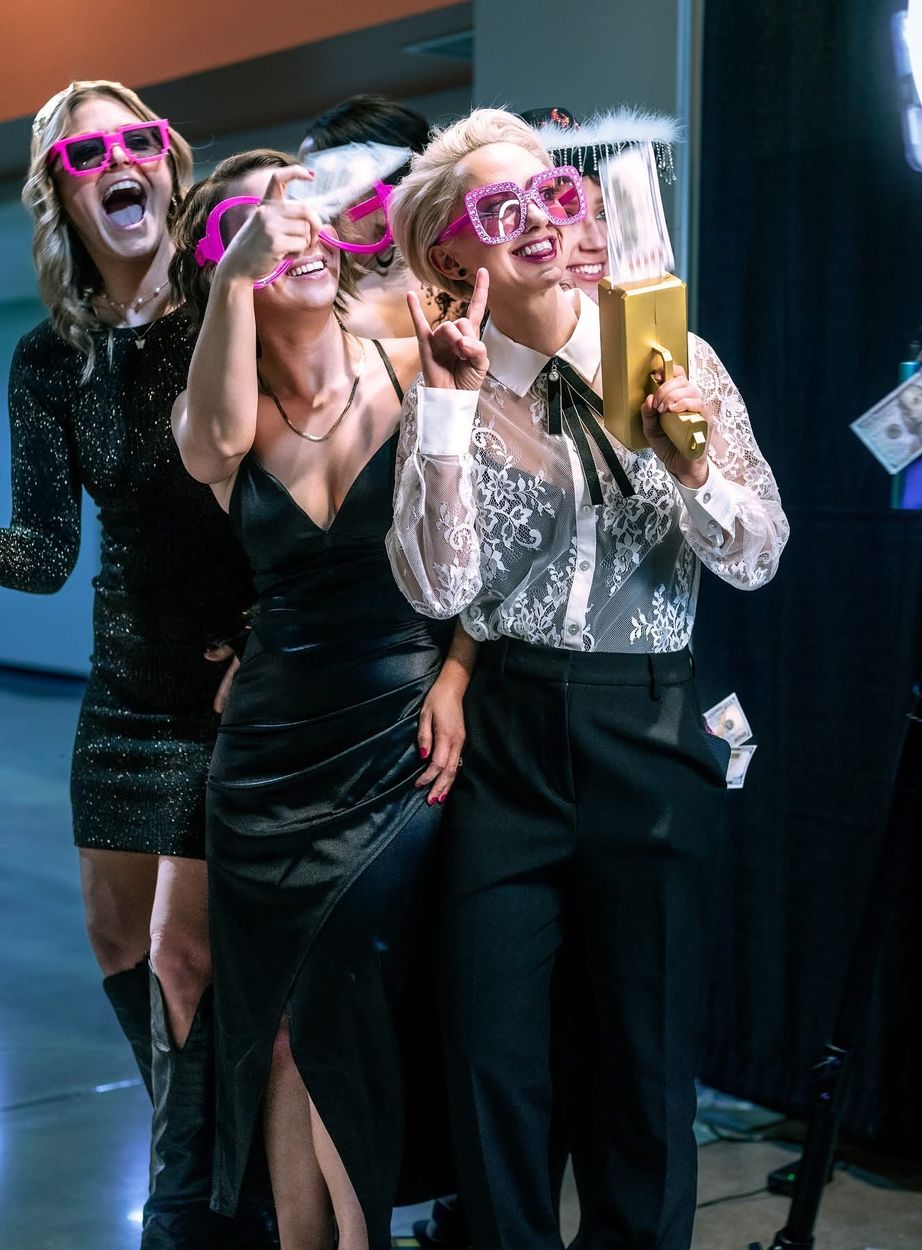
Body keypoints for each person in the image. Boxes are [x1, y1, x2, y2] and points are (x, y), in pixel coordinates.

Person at [387, 107, 789, 1250]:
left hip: (650, 724)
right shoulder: (453, 385)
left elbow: (759, 552)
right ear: (448, 252)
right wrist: (453, 409)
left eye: (552, 195)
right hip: (504, 738)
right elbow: (433, 581)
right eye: (499, 207)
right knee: (493, 1058)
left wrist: (694, 462)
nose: (540, 222)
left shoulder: (667, 353)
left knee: (643, 1062)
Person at [170, 148, 471, 1250]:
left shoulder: (407, 358)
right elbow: (210, 442)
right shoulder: (219, 414)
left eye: (296, 214)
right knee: (282, 1030)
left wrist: (459, 670)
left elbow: (488, 542)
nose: (283, 234)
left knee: (349, 1003)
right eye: (249, 225)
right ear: (221, 263)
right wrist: (224, 284)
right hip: (265, 764)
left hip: (400, 736)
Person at [2, 79, 272, 1249]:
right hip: (121, 691)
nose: (117, 160)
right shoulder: (46, 360)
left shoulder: (228, 308)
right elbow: (47, 550)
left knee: (188, 953)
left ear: (169, 165)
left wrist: (275, 634)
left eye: (138, 140)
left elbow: (305, 484)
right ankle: (202, 1151)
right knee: (122, 947)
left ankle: (193, 1207)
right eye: (84, 152)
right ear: (62, 193)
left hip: (233, 682)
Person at [299, 94, 466, 338]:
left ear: (385, 202)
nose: (306, 205)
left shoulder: (340, 320)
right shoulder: (470, 279)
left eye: (324, 185)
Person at [523, 104, 681, 302]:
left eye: (604, 214)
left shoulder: (669, 333)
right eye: (567, 215)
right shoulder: (477, 334)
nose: (597, 242)